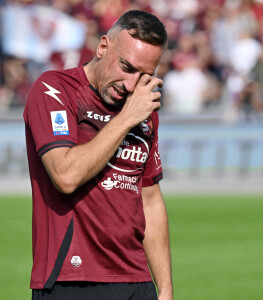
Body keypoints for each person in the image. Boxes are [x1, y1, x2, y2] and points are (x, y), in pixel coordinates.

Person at [24, 10, 173, 300]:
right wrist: (127, 117)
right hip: (72, 281)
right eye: (127, 67)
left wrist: (165, 290)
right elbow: (65, 176)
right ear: (103, 47)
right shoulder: (55, 89)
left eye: (144, 76)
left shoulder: (141, 109)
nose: (131, 85)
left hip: (137, 282)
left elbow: (150, 201)